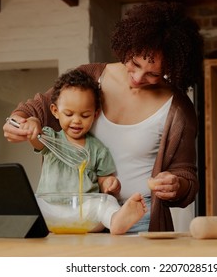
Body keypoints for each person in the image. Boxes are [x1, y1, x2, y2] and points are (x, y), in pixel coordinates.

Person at [3, 1, 204, 232]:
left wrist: (176, 185)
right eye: (135, 63)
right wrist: (19, 122)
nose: (138, 78)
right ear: (128, 44)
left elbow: (186, 176)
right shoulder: (91, 77)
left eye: (153, 74)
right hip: (79, 212)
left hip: (140, 219)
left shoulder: (178, 108)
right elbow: (34, 109)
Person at [21, 68, 147, 235]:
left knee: (106, 202)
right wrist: (32, 123)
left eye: (85, 115)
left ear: (95, 114)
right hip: (51, 210)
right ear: (55, 111)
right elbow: (36, 139)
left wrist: (109, 184)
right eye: (69, 113)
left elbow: (103, 180)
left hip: (83, 212)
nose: (76, 120)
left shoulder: (98, 150)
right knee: (30, 202)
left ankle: (116, 220)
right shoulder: (51, 138)